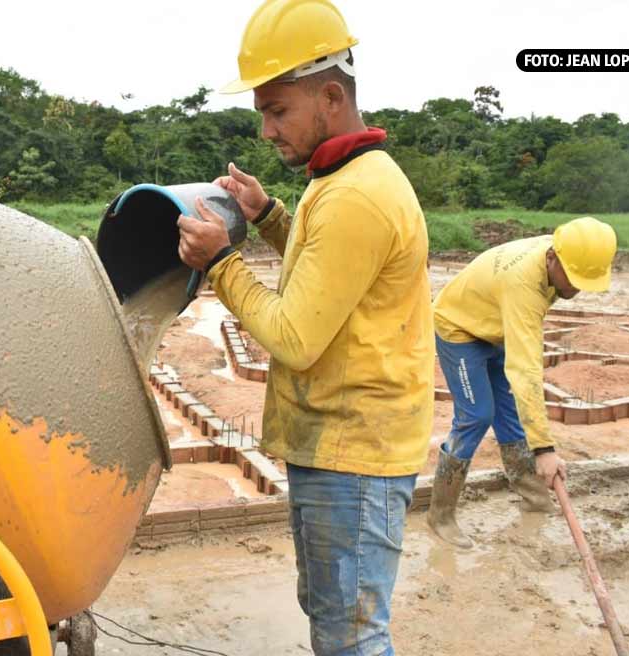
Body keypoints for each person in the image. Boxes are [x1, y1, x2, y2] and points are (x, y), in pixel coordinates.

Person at [176, 2, 433, 653]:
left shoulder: (355, 194)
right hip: (345, 445)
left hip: (354, 453)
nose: (265, 130)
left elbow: (292, 335)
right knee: (336, 613)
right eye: (262, 111)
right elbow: (329, 268)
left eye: (278, 110)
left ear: (331, 95)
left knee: (350, 635)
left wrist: (221, 263)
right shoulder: (344, 175)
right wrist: (266, 216)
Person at [427, 218, 617, 548]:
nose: (575, 288)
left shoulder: (563, 253)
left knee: (510, 415)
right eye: (572, 279)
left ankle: (534, 497)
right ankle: (440, 515)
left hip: (495, 325)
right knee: (476, 415)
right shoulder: (524, 283)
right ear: (552, 259)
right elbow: (526, 371)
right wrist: (544, 450)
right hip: (459, 328)